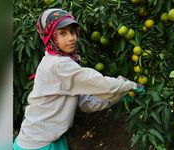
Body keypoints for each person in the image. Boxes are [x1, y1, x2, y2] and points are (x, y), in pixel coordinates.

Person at [13, 8, 143, 150]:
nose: (71, 38)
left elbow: (86, 102)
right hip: (39, 144)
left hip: (41, 139)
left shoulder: (55, 60)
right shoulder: (59, 65)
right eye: (62, 33)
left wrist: (117, 97)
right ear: (49, 37)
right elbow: (99, 83)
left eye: (73, 32)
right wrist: (129, 86)